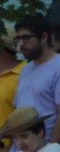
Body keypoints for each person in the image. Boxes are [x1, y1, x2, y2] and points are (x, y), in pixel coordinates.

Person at [12, 15, 60, 144]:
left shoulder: (58, 67)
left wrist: (52, 150)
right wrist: (0, 134)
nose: (21, 44)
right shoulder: (25, 69)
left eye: (26, 38)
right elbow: (19, 114)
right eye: (19, 39)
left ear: (44, 37)